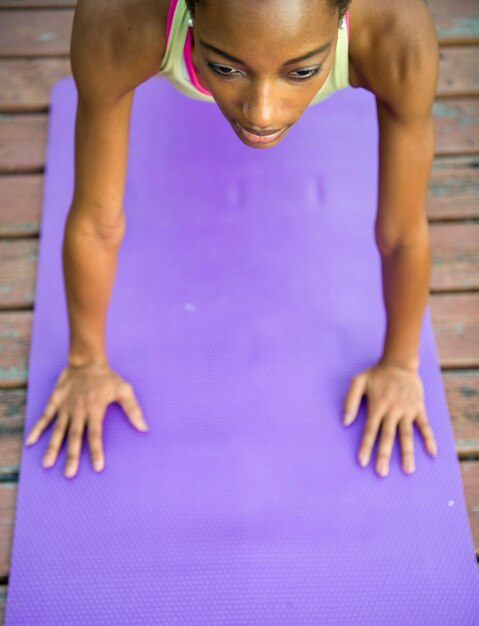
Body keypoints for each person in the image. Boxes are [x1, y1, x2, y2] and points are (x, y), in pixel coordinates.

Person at [25, 0, 439, 479]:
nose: (262, 113)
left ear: (344, 19)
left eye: (302, 72)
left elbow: (403, 233)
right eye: (225, 67)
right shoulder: (118, 18)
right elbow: (97, 222)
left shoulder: (395, 33)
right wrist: (85, 363)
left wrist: (402, 364)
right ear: (191, 19)